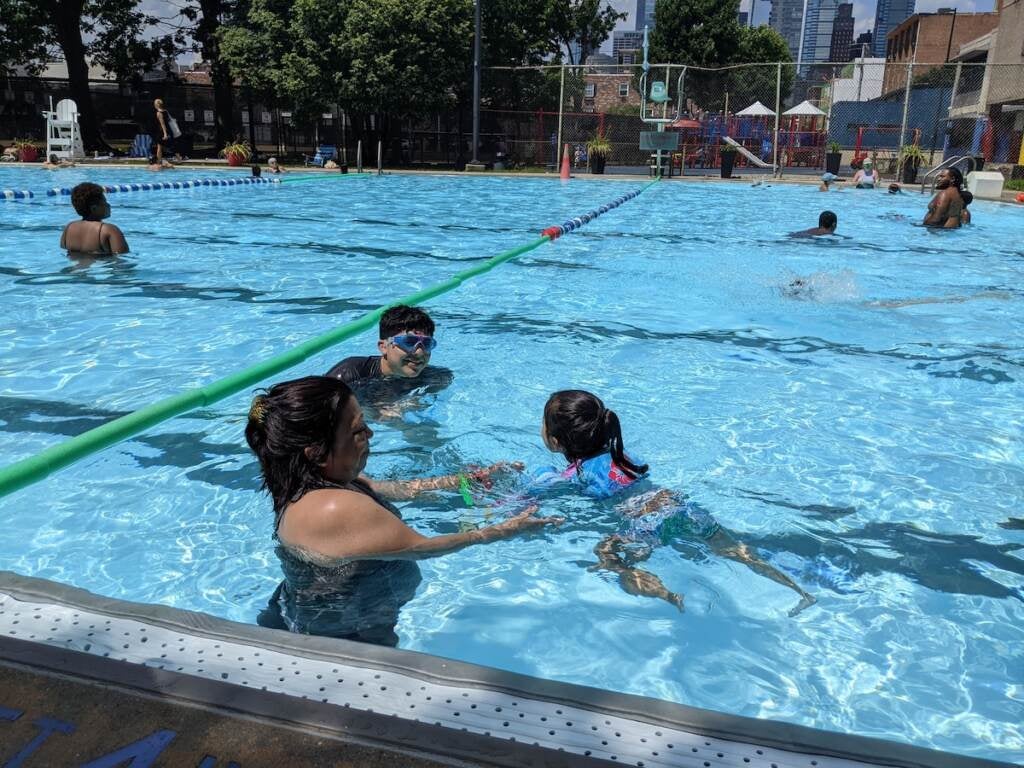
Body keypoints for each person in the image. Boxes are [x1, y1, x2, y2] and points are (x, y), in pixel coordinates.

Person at [245, 376, 559, 645]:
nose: (369, 435)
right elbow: (421, 549)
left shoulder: (318, 480)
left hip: (322, 610)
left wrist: (466, 480)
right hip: (345, 632)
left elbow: (398, 489)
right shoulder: (332, 507)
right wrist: (502, 531)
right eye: (358, 431)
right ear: (315, 452)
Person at [524, 390, 815, 616]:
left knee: (605, 554)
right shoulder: (625, 458)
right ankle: (799, 592)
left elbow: (544, 490)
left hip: (644, 524)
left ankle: (661, 591)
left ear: (555, 441)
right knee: (736, 550)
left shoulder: (576, 474)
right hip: (676, 505)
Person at [326, 305, 452, 402]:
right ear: (383, 347)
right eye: (409, 342)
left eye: (427, 344)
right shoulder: (349, 375)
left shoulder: (436, 378)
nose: (419, 352)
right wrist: (374, 411)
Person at [59, 182, 129, 256]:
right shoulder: (109, 230)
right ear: (94, 208)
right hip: (101, 266)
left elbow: (65, 252)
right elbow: (122, 259)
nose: (108, 205)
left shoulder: (69, 228)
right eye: (104, 202)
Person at [151, 98, 172, 165]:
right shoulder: (165, 111)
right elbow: (168, 121)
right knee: (163, 146)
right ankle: (160, 161)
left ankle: (158, 162)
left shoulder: (159, 113)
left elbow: (162, 124)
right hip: (167, 130)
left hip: (161, 131)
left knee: (159, 147)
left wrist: (165, 134)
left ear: (156, 105)